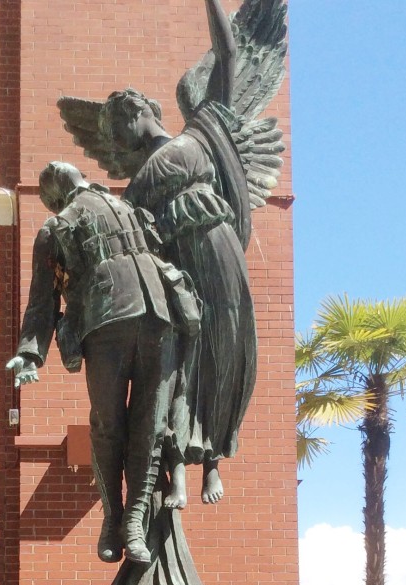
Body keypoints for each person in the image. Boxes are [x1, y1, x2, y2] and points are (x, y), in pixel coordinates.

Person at [97, 0, 257, 507]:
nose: (113, 141)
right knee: (177, 363)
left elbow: (228, 56)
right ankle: (180, 470)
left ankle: (213, 459)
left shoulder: (201, 130)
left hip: (219, 249)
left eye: (115, 127)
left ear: (139, 111)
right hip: (175, 272)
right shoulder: (137, 186)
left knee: (224, 349)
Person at [7, 161, 199, 566]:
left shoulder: (129, 206)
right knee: (108, 424)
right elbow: (42, 299)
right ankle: (112, 517)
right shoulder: (54, 229)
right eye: (51, 175)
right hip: (104, 323)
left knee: (151, 425)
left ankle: (133, 520)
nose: (61, 168)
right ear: (55, 195)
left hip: (158, 317)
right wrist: (30, 351)